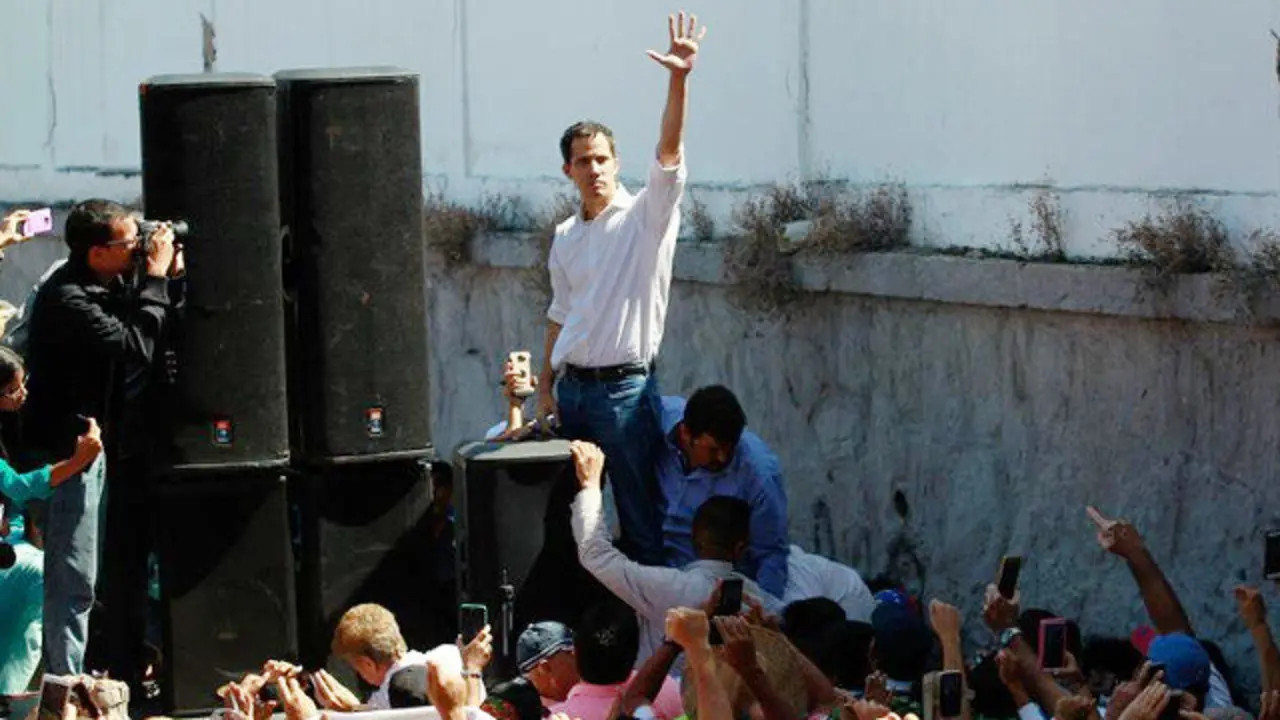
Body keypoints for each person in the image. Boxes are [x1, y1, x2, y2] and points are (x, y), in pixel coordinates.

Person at [535, 11, 706, 566]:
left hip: (625, 396)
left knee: (640, 521)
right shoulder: (566, 235)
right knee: (572, 520)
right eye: (584, 161)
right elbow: (560, 313)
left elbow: (669, 155)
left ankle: (651, 618)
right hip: (573, 393)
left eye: (603, 159)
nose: (595, 169)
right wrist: (544, 389)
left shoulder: (644, 219)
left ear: (617, 163)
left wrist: (678, 80)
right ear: (568, 170)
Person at [19, 198, 180, 676]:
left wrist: (161, 280)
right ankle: (65, 683)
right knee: (72, 575)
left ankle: (100, 668)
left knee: (100, 570)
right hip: (67, 453)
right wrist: (155, 280)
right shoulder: (68, 297)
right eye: (129, 242)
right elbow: (133, 345)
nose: (138, 248)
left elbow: (143, 322)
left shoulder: (106, 284)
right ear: (96, 252)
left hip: (100, 447)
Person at [568, 441, 781, 666]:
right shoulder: (757, 603)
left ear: (693, 538)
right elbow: (787, 619)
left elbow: (596, 556)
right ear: (740, 548)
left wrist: (590, 486)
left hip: (663, 687)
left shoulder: (669, 587)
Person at [656, 385, 789, 597]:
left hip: (716, 586)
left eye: (730, 448)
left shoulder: (759, 476)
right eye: (713, 449)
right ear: (685, 433)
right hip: (651, 563)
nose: (722, 458)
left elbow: (770, 555)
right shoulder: (655, 417)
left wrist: (761, 609)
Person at [319, 602, 492, 712]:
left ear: (367, 664)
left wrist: (473, 671)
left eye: (356, 668)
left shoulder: (397, 693)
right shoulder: (452, 654)